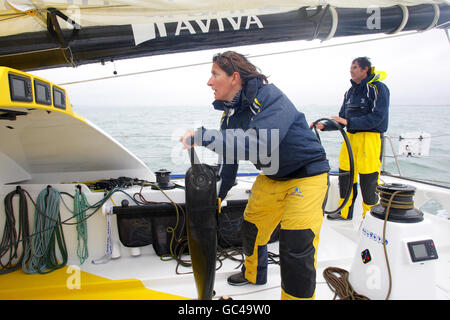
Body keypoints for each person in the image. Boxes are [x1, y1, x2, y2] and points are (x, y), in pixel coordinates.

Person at [180, 51, 330, 300]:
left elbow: (259, 144)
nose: (209, 82)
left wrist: (201, 135)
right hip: (272, 176)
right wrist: (220, 194)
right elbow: (230, 158)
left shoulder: (271, 97)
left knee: (295, 247)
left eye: (215, 74)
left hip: (307, 176)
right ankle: (254, 274)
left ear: (234, 77)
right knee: (251, 228)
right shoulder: (229, 114)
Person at [314, 57, 389, 220]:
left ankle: (369, 217)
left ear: (365, 69)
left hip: (370, 139)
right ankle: (344, 211)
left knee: (368, 178)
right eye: (351, 67)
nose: (351, 70)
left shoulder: (378, 88)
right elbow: (342, 118)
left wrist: (349, 122)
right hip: (350, 138)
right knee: (346, 173)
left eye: (355, 67)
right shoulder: (349, 92)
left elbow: (378, 118)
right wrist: (325, 126)